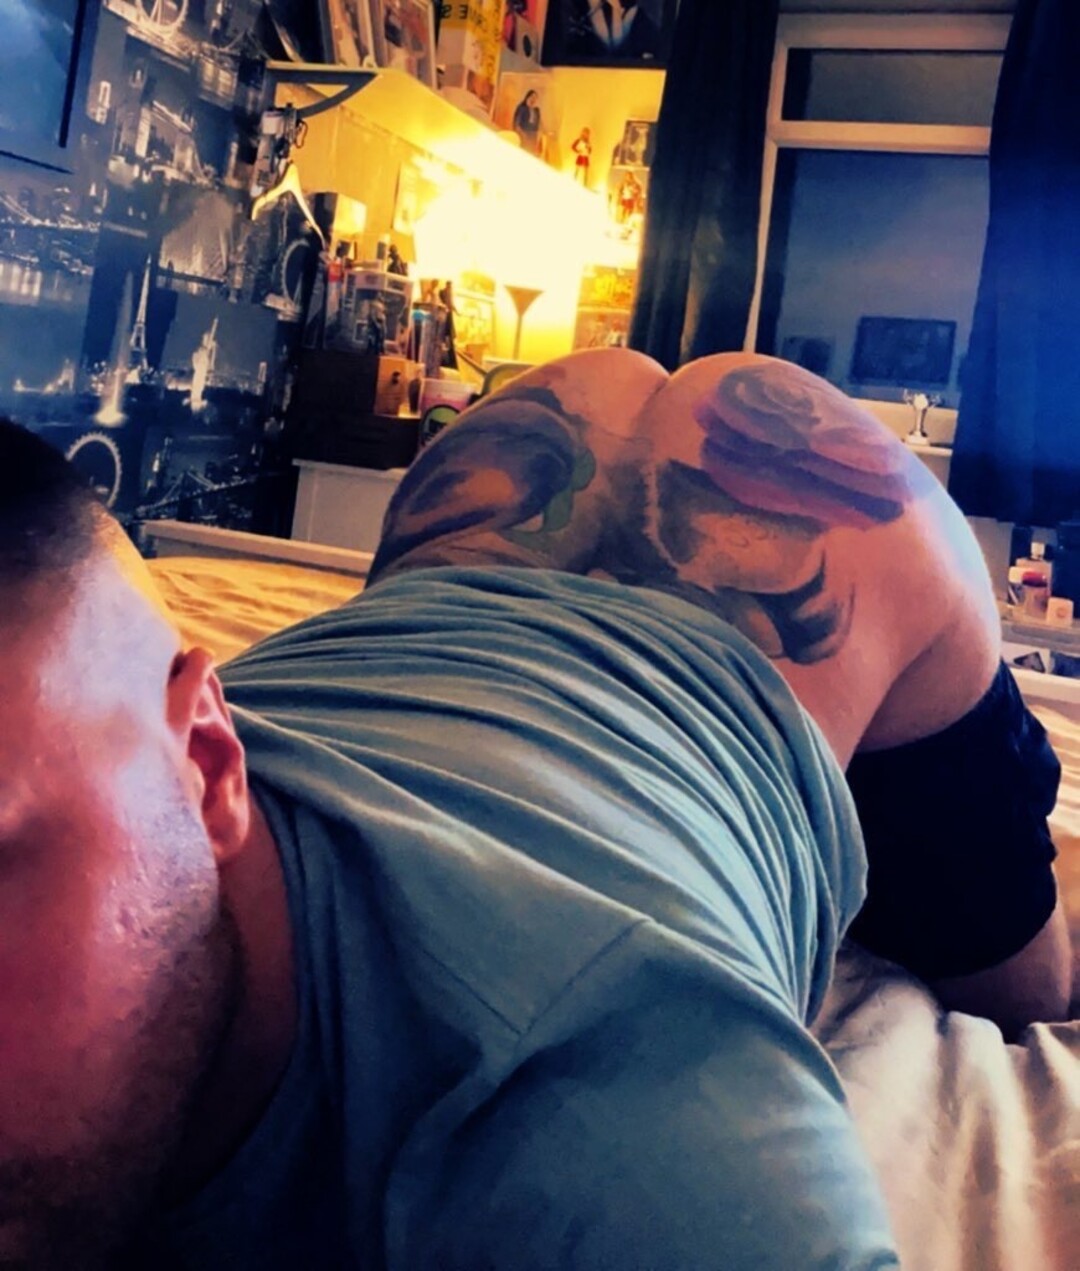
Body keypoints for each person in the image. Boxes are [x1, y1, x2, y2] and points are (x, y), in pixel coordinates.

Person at [0, 349, 1071, 1270]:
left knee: (1031, 986)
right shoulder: (101, 738)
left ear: (208, 759)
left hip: (862, 536)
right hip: (473, 535)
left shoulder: (629, 1132)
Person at [512, 88, 542, 155]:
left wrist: (537, 137)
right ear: (528, 97)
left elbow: (537, 126)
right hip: (523, 134)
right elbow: (517, 123)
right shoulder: (522, 108)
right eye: (532, 97)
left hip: (532, 136)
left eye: (535, 98)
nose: (533, 99)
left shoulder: (536, 111)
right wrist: (522, 134)